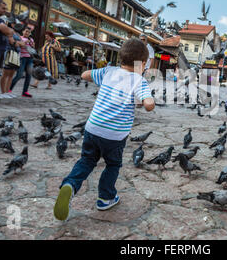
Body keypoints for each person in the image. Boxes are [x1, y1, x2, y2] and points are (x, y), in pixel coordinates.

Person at [53, 38, 155, 221]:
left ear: (121, 57)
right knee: (113, 164)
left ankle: (69, 185)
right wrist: (149, 101)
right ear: (143, 63)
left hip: (93, 128)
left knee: (86, 160)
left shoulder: (109, 71)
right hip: (115, 135)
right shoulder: (139, 81)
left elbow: (84, 75)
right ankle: (105, 198)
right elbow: (148, 104)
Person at [0, 23, 24, 99]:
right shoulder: (9, 31)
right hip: (9, 52)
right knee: (5, 73)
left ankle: (7, 91)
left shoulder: (17, 33)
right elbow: (13, 42)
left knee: (11, 74)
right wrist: (19, 43)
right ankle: (3, 92)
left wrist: (19, 43)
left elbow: (22, 44)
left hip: (16, 53)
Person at [10, 27, 34, 98]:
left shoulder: (31, 39)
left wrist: (32, 45)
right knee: (19, 75)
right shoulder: (19, 38)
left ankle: (25, 92)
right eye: (26, 31)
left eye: (29, 32)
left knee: (29, 76)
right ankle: (9, 89)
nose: (27, 33)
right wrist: (25, 42)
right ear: (23, 31)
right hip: (22, 58)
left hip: (29, 58)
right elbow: (18, 45)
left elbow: (32, 49)